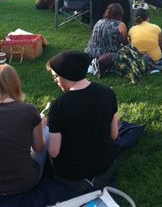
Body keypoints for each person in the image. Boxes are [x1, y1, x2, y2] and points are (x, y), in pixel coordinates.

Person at [47, 50, 119, 192]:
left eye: (55, 77)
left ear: (66, 75)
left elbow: (53, 152)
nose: (55, 81)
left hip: (72, 178)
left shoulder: (59, 105)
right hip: (105, 169)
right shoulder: (108, 93)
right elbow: (114, 135)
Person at [0, 64, 46, 195]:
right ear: (14, 83)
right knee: (46, 131)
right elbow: (39, 147)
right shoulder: (28, 110)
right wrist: (41, 125)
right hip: (24, 183)